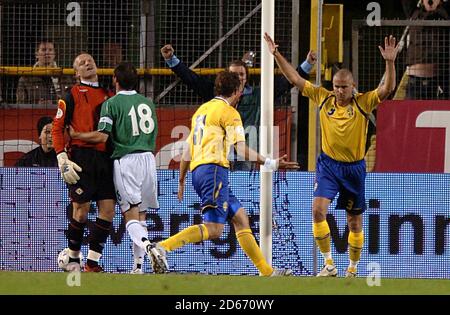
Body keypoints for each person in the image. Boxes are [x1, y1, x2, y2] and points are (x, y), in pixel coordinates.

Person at [264, 33, 399, 277]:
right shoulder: (324, 98)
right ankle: (328, 264)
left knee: (354, 223)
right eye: (336, 86)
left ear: (353, 86)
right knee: (317, 210)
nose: (338, 90)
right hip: (328, 165)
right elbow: (295, 79)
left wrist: (390, 62)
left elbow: (387, 88)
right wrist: (276, 55)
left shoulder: (363, 102)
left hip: (354, 169)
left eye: (343, 87)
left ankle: (353, 268)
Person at [147, 71, 299, 276]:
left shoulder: (202, 110)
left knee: (240, 218)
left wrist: (181, 180)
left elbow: (187, 151)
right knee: (214, 229)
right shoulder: (229, 112)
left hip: (199, 172)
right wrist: (270, 162)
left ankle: (266, 272)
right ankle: (163, 247)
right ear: (237, 91)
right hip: (214, 171)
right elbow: (242, 150)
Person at [160, 44, 316, 170]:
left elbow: (287, 82)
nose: (237, 78)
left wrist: (307, 64)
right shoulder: (215, 94)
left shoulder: (259, 95)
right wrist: (171, 60)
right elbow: (192, 79)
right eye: (234, 74)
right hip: (219, 155)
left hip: (245, 156)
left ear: (246, 77)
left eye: (241, 74)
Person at [69, 62, 158, 275]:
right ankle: (138, 268)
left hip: (126, 161)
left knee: (130, 216)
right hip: (149, 160)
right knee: (142, 215)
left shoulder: (112, 103)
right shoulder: (148, 103)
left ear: (115, 80)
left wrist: (77, 135)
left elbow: (102, 136)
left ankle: (149, 247)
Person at [52, 53, 116, 272]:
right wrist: (62, 156)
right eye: (81, 62)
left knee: (108, 210)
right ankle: (72, 258)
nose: (87, 63)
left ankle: (92, 264)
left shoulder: (110, 94)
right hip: (81, 157)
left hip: (105, 158)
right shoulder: (71, 95)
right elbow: (57, 128)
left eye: (90, 60)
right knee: (81, 211)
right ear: (75, 73)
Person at [402, 0, 449, 99]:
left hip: (439, 80)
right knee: (411, 112)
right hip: (414, 81)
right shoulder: (414, 13)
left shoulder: (446, 13)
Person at [16, 40, 74, 106]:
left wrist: (56, 103)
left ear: (54, 54)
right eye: (43, 50)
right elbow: (20, 105)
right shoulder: (26, 79)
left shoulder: (66, 77)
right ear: (36, 54)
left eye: (50, 50)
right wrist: (36, 106)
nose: (47, 52)